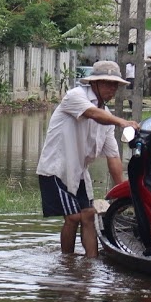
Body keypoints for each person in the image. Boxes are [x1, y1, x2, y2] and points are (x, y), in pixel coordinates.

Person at [37, 61, 139, 257]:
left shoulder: (107, 117)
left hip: (79, 172)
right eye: (107, 83)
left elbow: (113, 157)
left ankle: (90, 263)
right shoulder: (75, 96)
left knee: (89, 216)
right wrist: (122, 122)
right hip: (56, 168)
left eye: (115, 85)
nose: (112, 89)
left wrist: (124, 196)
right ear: (95, 83)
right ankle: (67, 263)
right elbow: (92, 114)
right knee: (74, 217)